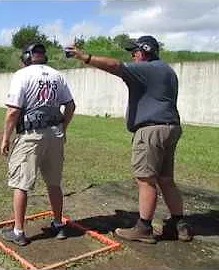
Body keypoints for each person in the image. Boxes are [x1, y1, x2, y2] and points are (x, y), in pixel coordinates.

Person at [65, 35, 192, 243]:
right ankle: (180, 225)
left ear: (144, 51)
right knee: (166, 179)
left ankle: (143, 228)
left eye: (134, 52)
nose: (132, 56)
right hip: (171, 128)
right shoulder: (167, 70)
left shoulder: (147, 68)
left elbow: (115, 66)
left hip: (151, 131)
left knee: (145, 180)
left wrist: (84, 57)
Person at [0, 43, 76, 246]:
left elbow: (13, 111)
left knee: (21, 183)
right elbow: (70, 105)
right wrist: (63, 129)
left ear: (26, 57)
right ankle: (58, 224)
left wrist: (6, 137)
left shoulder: (22, 75)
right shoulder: (57, 75)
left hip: (31, 135)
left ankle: (18, 232)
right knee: (53, 182)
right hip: (55, 133)